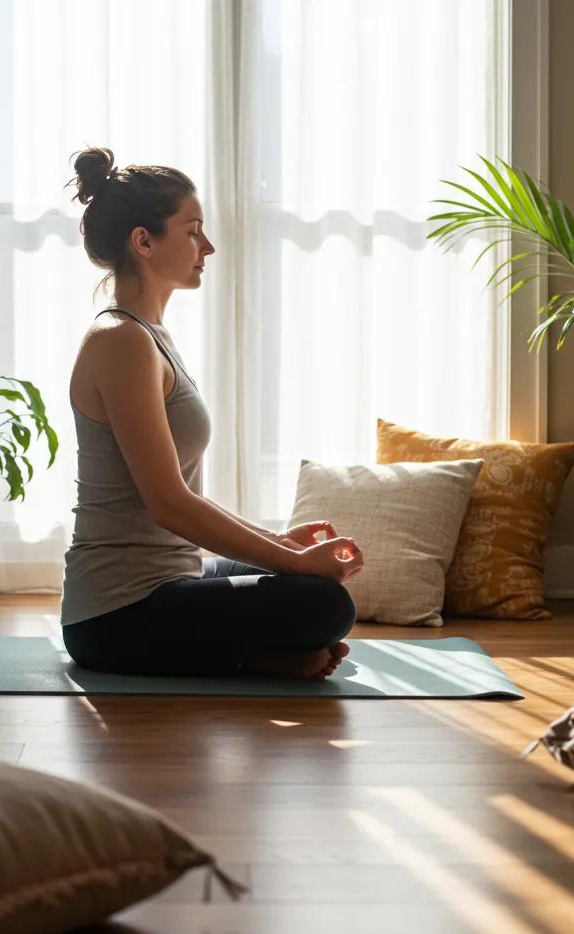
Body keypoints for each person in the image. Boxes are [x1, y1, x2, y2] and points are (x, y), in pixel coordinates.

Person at [60, 147, 363, 680]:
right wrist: (293, 563)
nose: (209, 246)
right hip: (116, 614)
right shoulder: (120, 341)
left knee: (313, 585)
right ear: (144, 241)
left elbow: (188, 500)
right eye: (193, 231)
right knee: (323, 605)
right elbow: (169, 505)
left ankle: (263, 654)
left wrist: (280, 543)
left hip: (174, 576)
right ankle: (259, 658)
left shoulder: (151, 336)